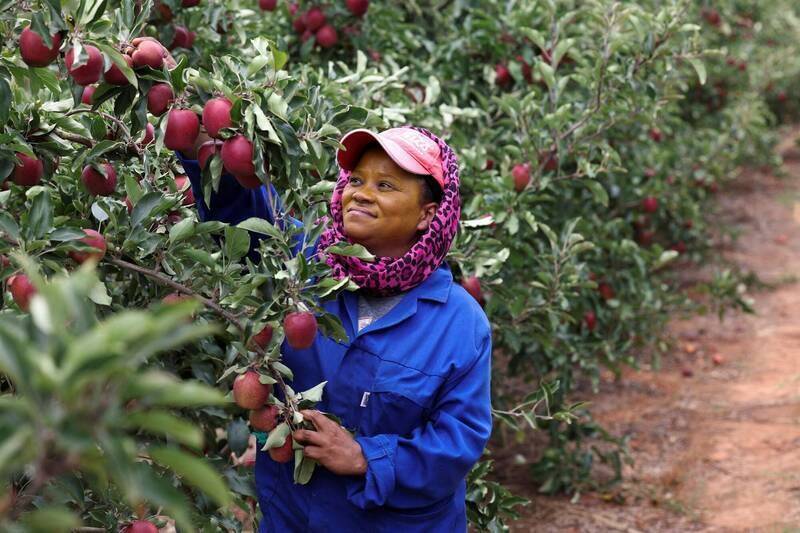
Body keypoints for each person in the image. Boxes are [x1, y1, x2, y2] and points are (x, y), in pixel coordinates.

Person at [177, 126, 492, 532]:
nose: (361, 193)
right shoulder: (305, 267)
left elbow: (457, 442)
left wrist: (366, 458)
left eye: (385, 185)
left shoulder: (459, 323)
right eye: (356, 180)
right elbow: (243, 218)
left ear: (427, 215)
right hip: (291, 519)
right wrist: (208, 146)